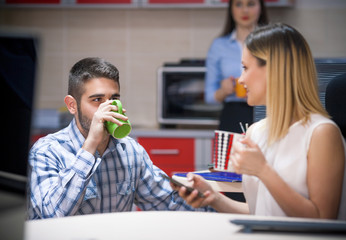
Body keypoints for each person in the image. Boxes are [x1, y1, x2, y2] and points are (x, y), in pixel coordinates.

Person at [172, 23, 346, 219]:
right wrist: (213, 197)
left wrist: (263, 170)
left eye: (245, 68)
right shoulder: (255, 132)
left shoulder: (321, 133)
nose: (240, 80)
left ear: (274, 70)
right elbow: (260, 211)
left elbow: (322, 219)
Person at [27, 57, 213, 219]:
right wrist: (90, 145)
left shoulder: (130, 151)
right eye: (97, 100)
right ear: (72, 105)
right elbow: (52, 216)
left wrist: (216, 210)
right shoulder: (46, 151)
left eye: (114, 99)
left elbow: (167, 202)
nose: (108, 109)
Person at [205, 0, 268, 133]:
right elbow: (209, 96)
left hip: (266, 112)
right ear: (231, 9)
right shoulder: (218, 46)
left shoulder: (271, 43)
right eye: (239, 4)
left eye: (251, 4)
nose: (245, 10)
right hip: (233, 115)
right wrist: (223, 91)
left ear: (260, 7)